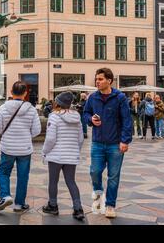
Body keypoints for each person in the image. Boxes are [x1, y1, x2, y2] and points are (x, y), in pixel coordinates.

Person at [83, 68, 132, 219]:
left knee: (113, 176)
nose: (97, 82)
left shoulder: (120, 97)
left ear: (109, 81)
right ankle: (98, 198)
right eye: (96, 79)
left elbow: (127, 120)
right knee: (95, 172)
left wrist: (125, 140)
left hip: (115, 145)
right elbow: (85, 114)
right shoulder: (93, 97)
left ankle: (110, 205)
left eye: (100, 79)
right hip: (97, 143)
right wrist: (91, 119)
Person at [0, 81, 41, 213]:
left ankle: (5, 196)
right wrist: (25, 135)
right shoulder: (31, 109)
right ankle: (19, 204)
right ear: (25, 93)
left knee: (3, 172)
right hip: (24, 148)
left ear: (11, 92)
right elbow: (37, 131)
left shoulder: (3, 108)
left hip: (7, 147)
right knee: (23, 176)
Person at [42, 92, 85, 221]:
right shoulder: (77, 117)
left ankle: (53, 205)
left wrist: (45, 151)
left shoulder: (54, 116)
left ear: (58, 103)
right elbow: (81, 139)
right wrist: (75, 151)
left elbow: (50, 139)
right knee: (71, 181)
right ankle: (78, 209)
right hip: (71, 156)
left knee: (53, 181)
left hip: (56, 155)